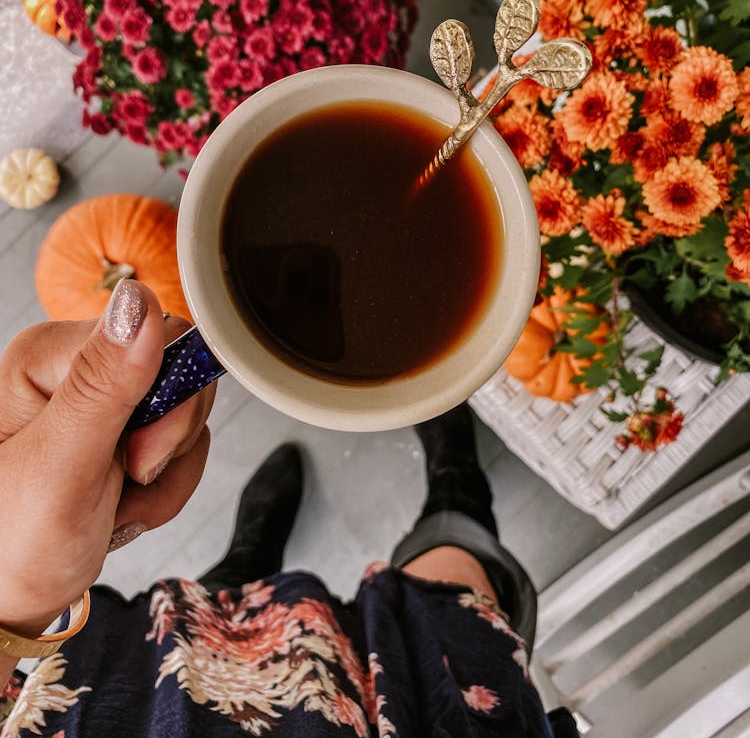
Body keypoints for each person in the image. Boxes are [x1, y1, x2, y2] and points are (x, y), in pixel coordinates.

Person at [0, 279, 578, 736]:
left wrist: (13, 597)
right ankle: (457, 483)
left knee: (208, 628)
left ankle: (249, 558)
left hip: (135, 703)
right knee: (449, 595)